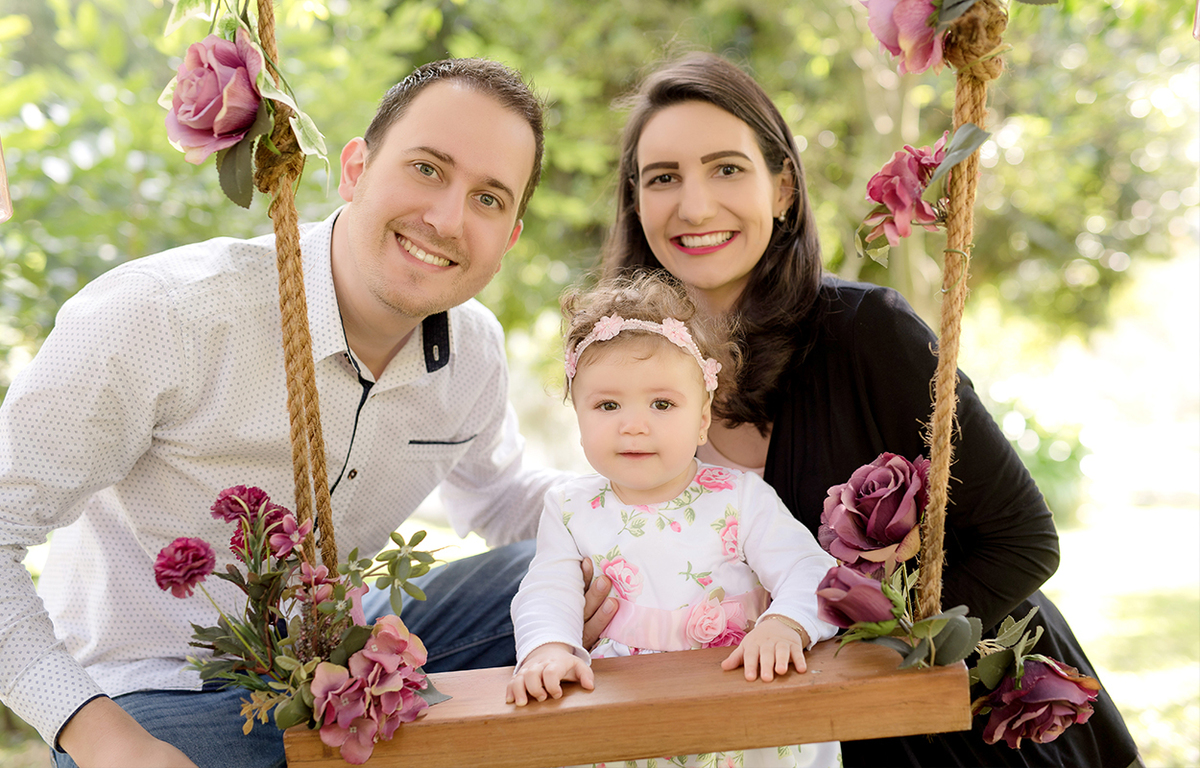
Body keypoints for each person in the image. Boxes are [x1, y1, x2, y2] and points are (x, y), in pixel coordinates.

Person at [0, 58, 589, 768]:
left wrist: (680, 510)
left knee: (579, 570)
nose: (447, 219)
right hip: (159, 699)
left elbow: (505, 499)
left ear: (510, 239)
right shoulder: (165, 317)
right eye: (427, 169)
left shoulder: (472, 355)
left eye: (489, 199)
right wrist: (100, 736)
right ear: (355, 169)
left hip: (338, 662)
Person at [600, 52, 1144, 768]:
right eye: (663, 178)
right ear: (636, 203)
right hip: (812, 738)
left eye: (727, 168)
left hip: (971, 725)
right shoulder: (626, 374)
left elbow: (1025, 538)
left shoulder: (867, 332)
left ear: (784, 189)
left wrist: (885, 640)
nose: (694, 206)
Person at [506, 272, 841, 768]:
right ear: (578, 416)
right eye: (607, 404)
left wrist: (785, 625)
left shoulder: (739, 498)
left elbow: (808, 570)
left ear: (702, 418)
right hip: (624, 706)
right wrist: (550, 648)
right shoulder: (570, 508)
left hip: (735, 699)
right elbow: (547, 591)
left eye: (662, 403)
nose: (634, 423)